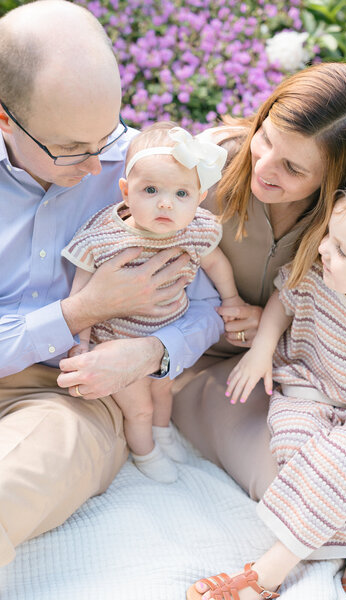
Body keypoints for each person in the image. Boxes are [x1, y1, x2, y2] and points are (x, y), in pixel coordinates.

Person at [0, 0, 223, 566]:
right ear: (5, 119)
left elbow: (206, 304)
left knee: (20, 479)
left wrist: (150, 351)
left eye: (108, 135)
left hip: (68, 394)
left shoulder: (147, 173)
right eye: (72, 149)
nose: (100, 166)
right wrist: (81, 310)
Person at [170, 63, 346, 596]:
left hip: (336, 384)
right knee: (286, 483)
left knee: (333, 466)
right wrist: (223, 319)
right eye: (266, 139)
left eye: (294, 168)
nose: (265, 168)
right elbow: (137, 254)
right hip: (232, 373)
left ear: (338, 179)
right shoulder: (205, 165)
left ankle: (336, 496)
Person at [194, 175, 346, 600]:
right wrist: (261, 351)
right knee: (293, 451)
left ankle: (265, 576)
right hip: (306, 388)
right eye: (330, 237)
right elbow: (283, 302)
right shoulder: (316, 277)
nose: (324, 248)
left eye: (342, 250)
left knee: (338, 458)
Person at [62, 123, 243, 483]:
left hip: (165, 334)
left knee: (163, 391)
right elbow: (82, 291)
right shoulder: (105, 236)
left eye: (181, 193)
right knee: (140, 407)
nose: (166, 203)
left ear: (198, 197)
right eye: (151, 190)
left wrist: (232, 297)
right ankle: (145, 453)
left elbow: (215, 262)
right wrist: (79, 340)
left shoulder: (193, 229)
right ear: (126, 193)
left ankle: (162, 433)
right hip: (115, 340)